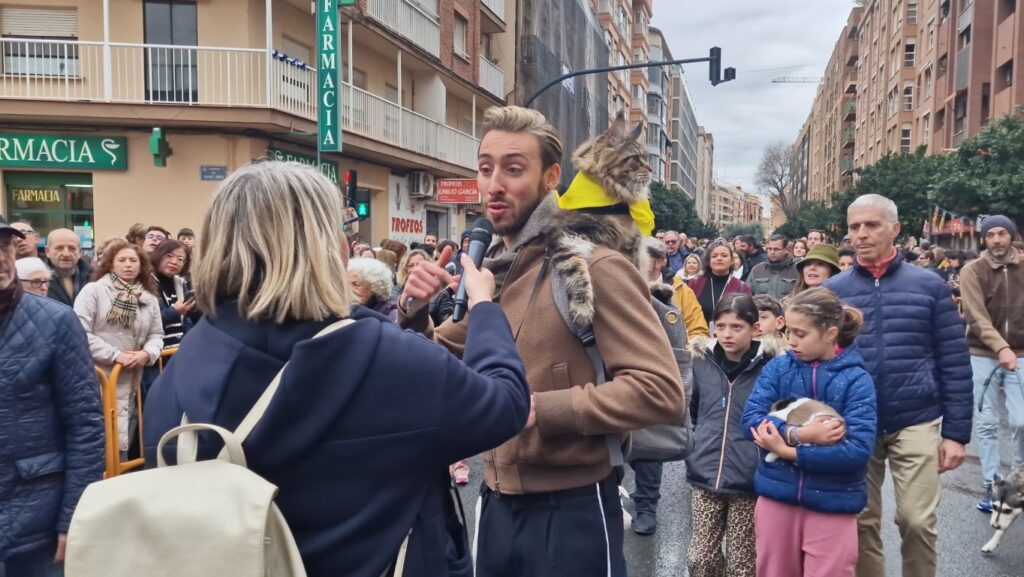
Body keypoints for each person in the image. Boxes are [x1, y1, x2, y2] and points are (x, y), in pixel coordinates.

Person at [143, 161, 530, 577]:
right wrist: (486, 307)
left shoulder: (184, 365)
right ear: (327, 249)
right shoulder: (373, 354)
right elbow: (504, 402)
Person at [399, 106, 682, 577]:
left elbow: (660, 391)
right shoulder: (500, 272)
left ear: (552, 177)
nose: (494, 184)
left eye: (513, 169)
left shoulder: (596, 268)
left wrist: (541, 409)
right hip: (495, 504)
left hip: (573, 511)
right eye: (486, 168)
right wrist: (414, 310)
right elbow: (433, 363)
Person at [823, 194, 971, 577]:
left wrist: (956, 433)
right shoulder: (834, 290)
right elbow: (820, 361)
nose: (861, 234)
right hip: (855, 422)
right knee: (860, 521)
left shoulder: (929, 285)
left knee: (917, 521)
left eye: (872, 225)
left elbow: (953, 360)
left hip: (915, 417)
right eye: (855, 227)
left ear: (895, 228)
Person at [743, 288, 877, 577]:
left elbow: (856, 451)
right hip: (777, 498)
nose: (790, 340)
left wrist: (786, 451)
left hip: (834, 504)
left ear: (829, 334)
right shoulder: (778, 367)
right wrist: (801, 434)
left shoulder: (856, 379)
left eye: (800, 334)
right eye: (789, 331)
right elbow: (752, 420)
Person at [0, 217, 104, 576]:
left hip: (35, 519)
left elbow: (86, 425)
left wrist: (74, 514)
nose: (1, 259)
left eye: (3, 246)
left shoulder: (54, 321)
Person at [686, 294, 780, 577]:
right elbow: (694, 411)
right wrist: (697, 444)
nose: (727, 334)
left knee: (742, 565)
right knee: (701, 559)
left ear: (754, 329)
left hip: (748, 479)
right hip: (704, 474)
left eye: (737, 327)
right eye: (721, 326)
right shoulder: (701, 362)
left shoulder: (771, 366)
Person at [74, 239, 164, 456]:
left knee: (125, 439)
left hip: (133, 379)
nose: (128, 265)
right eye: (121, 260)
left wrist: (147, 354)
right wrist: (115, 355)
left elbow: (156, 334)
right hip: (99, 377)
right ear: (110, 264)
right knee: (99, 441)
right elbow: (79, 331)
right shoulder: (93, 291)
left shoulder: (148, 299)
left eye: (133, 260)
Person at [959, 215, 1024, 512]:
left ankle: (1018, 483)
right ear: (983, 239)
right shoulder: (973, 270)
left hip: (1021, 355)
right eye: (991, 235)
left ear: (1012, 236)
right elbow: (976, 315)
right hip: (982, 353)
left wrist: (1012, 350)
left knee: (1021, 422)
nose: (996, 240)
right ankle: (991, 485)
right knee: (986, 423)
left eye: (1002, 234)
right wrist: (1001, 347)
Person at [688, 241, 752, 328]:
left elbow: (747, 317)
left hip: (730, 337)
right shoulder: (694, 283)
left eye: (724, 256)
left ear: (732, 260)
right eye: (714, 256)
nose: (719, 258)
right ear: (709, 260)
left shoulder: (742, 287)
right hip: (700, 337)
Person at [150, 239, 199, 348]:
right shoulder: (145, 284)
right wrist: (174, 312)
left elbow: (190, 319)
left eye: (180, 259)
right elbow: (146, 323)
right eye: (169, 255)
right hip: (154, 354)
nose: (174, 262)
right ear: (158, 255)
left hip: (179, 350)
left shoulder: (181, 284)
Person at [45, 229, 92, 307]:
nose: (66, 254)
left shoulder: (94, 278)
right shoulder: (37, 282)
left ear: (80, 252)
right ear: (47, 251)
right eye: (59, 248)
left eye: (72, 248)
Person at [747, 235, 799, 300]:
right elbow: (747, 295)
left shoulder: (797, 270)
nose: (772, 252)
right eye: (769, 249)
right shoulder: (757, 270)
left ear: (786, 250)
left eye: (776, 249)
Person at [347, 257, 399, 322]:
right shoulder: (346, 313)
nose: (348, 290)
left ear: (376, 287)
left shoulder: (392, 315)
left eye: (356, 284)